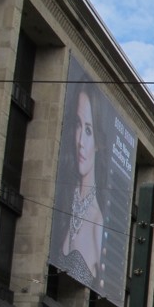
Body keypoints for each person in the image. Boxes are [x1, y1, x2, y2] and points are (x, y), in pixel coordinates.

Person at [53, 82, 107, 291]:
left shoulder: (98, 223)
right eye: (77, 125)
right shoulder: (66, 201)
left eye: (89, 130)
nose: (81, 142)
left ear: (99, 143)